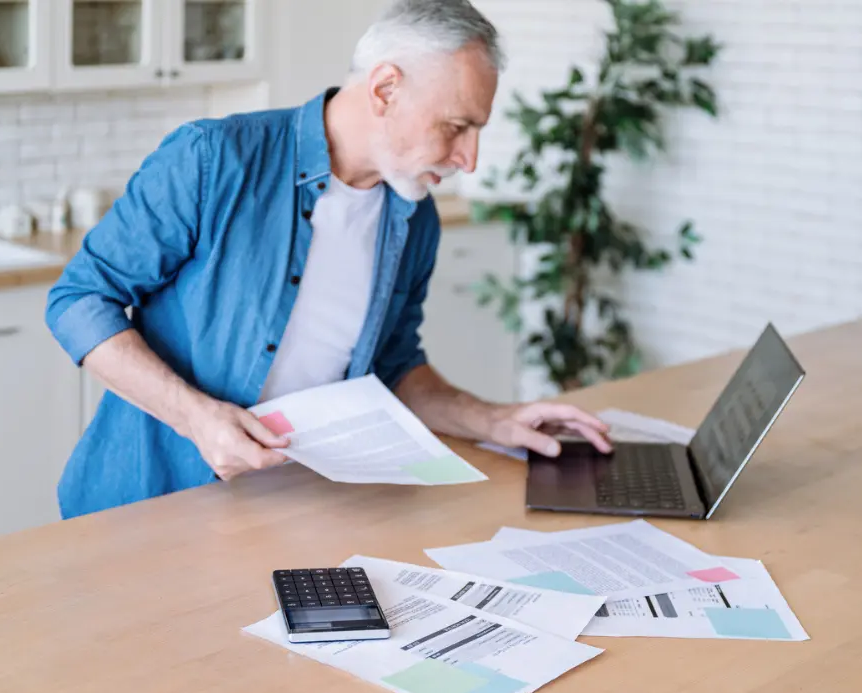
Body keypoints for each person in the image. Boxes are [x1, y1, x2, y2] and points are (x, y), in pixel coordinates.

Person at [44, 0, 611, 520]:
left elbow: (394, 366)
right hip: (148, 502)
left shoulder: (414, 218)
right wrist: (198, 418)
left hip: (291, 507)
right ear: (385, 89)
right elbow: (79, 299)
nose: (470, 158)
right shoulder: (214, 158)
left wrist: (493, 419)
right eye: (456, 127)